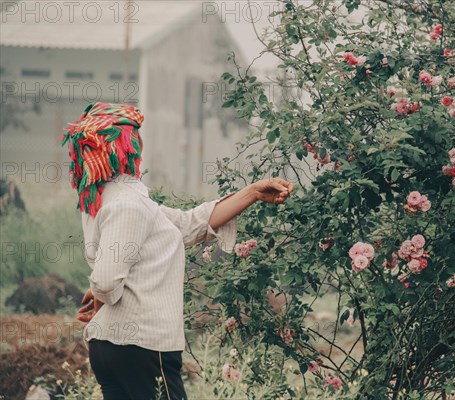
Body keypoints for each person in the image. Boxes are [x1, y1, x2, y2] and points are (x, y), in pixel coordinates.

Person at [63, 102, 293, 400]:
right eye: (136, 137)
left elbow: (186, 225)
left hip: (115, 347)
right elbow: (107, 280)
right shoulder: (128, 204)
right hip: (142, 345)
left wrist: (251, 193)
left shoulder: (109, 198)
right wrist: (100, 292)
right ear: (127, 145)